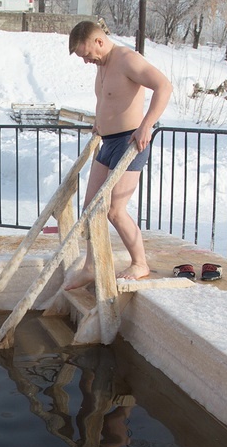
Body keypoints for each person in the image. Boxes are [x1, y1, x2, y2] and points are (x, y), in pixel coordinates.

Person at [64, 20, 172, 287]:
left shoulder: (125, 59)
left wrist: (146, 125)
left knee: (114, 210)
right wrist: (101, 122)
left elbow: (164, 86)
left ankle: (140, 263)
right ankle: (91, 265)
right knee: (91, 208)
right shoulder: (103, 65)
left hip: (130, 141)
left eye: (87, 54)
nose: (87, 61)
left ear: (99, 41)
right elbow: (110, 99)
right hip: (108, 141)